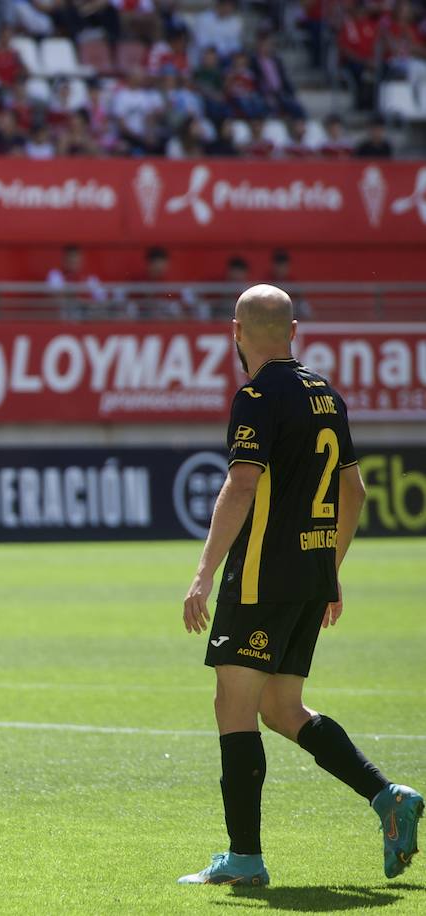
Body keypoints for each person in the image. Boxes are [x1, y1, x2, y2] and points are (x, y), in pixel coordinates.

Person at [178, 284, 422, 886]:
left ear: (237, 332)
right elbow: (355, 493)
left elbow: (240, 486)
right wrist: (329, 570)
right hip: (311, 573)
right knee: (281, 708)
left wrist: (204, 575)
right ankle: (386, 796)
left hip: (261, 575)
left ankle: (244, 859)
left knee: (233, 706)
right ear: (293, 331)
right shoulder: (326, 394)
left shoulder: (256, 396)